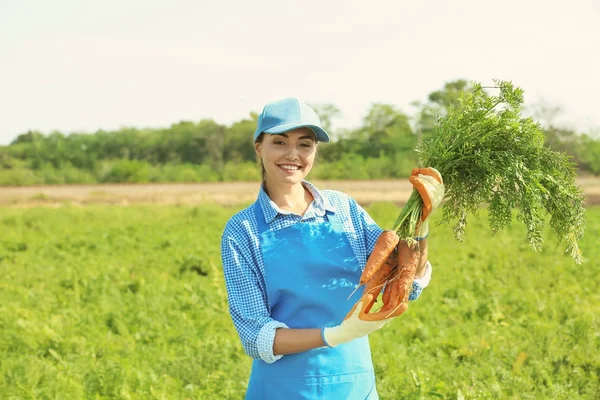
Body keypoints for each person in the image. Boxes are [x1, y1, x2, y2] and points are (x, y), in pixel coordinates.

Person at [220, 97, 444, 399]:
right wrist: (335, 335)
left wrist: (422, 224)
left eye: (304, 144)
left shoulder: (343, 209)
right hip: (282, 388)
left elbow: (403, 283)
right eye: (280, 142)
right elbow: (255, 336)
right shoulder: (242, 230)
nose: (293, 154)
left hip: (354, 383)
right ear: (258, 146)